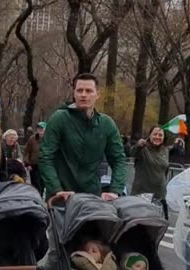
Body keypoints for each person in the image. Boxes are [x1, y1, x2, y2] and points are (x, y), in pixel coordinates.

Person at [38, 73, 127, 270]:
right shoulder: (60, 118)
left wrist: (115, 189)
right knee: (57, 253)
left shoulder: (106, 124)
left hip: (91, 200)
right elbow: (46, 156)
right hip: (62, 199)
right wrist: (55, 188)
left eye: (88, 91)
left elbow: (119, 159)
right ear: (74, 93)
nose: (83, 95)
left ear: (97, 95)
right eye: (79, 90)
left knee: (90, 255)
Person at [130, 125, 169, 219]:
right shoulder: (143, 148)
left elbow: (165, 170)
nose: (157, 137)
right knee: (139, 225)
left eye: (160, 135)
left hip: (159, 196)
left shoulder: (165, 151)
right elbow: (132, 152)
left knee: (158, 227)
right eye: (155, 134)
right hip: (141, 195)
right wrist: (138, 146)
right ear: (150, 135)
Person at [23, 121, 46, 195]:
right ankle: (35, 197)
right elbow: (26, 151)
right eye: (38, 128)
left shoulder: (49, 139)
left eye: (41, 128)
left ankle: (41, 197)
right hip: (33, 165)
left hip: (44, 164)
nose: (40, 129)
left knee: (42, 184)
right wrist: (27, 163)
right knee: (35, 184)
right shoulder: (32, 139)